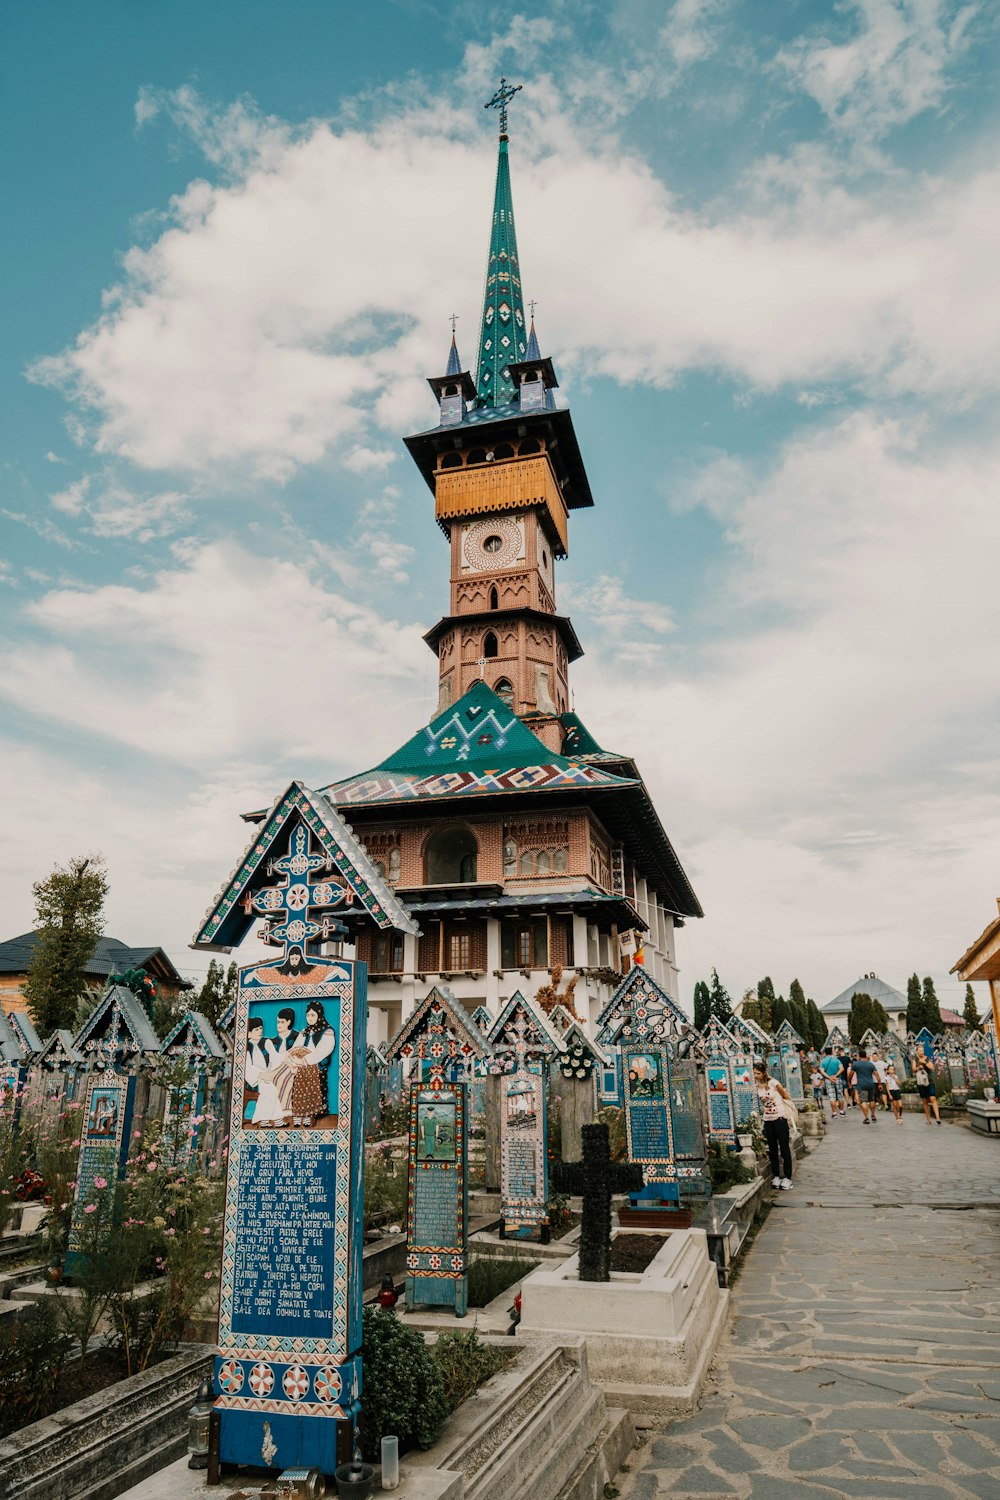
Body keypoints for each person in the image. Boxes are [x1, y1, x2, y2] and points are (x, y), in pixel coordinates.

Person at [288, 1001, 337, 1125]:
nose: (310, 1018)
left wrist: (305, 1060)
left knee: (312, 1091)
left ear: (319, 1015)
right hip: (300, 1066)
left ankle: (310, 1116)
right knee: (298, 1090)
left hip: (316, 1066)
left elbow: (323, 1050)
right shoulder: (305, 1031)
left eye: (313, 1015)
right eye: (308, 1015)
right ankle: (298, 1115)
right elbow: (296, 1047)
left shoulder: (327, 1031)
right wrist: (294, 1058)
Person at [754, 1061, 794, 1190]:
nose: (756, 1076)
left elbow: (786, 1096)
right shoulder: (756, 1085)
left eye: (758, 1073)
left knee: (784, 1148)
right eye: (754, 1073)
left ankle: (788, 1177)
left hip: (780, 1118)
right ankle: (776, 1175)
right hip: (768, 1119)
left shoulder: (773, 1083)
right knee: (772, 1149)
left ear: (764, 1072)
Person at [914, 1045, 942, 1125]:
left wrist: (925, 1063)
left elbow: (932, 1067)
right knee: (925, 1100)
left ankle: (937, 1118)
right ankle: (928, 1119)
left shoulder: (927, 1058)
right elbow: (913, 1069)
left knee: (933, 1098)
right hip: (921, 1082)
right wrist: (918, 1068)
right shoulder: (915, 1060)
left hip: (929, 1080)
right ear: (917, 1052)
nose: (922, 1052)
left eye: (922, 1050)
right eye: (920, 1051)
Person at [851, 1049, 880, 1124]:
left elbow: (850, 1074)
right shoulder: (870, 1064)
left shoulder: (856, 1064)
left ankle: (866, 1118)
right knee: (871, 1100)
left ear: (859, 1056)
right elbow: (876, 1074)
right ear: (866, 1056)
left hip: (861, 1085)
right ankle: (873, 1115)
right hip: (871, 1084)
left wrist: (849, 1081)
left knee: (863, 1101)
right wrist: (879, 1084)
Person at [820, 1048, 846, 1119]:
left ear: (825, 1053)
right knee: (840, 1095)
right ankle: (841, 1111)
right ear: (831, 1052)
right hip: (837, 1079)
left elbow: (822, 1071)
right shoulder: (836, 1060)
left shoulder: (823, 1061)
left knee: (832, 1097)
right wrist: (836, 1075)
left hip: (829, 1080)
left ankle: (834, 1113)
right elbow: (842, 1069)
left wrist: (829, 1077)